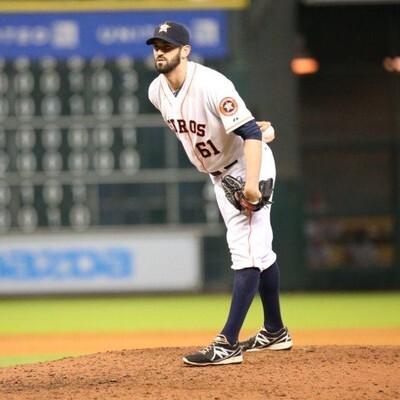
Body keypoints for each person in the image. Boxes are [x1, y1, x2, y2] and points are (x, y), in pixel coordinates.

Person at [146, 21, 292, 367]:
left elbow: (251, 134)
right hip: (219, 175)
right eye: (156, 46)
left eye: (167, 46)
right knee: (261, 252)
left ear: (185, 51)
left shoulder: (212, 84)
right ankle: (274, 331)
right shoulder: (156, 91)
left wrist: (253, 184)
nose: (159, 52)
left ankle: (227, 343)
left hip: (247, 167)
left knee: (246, 252)